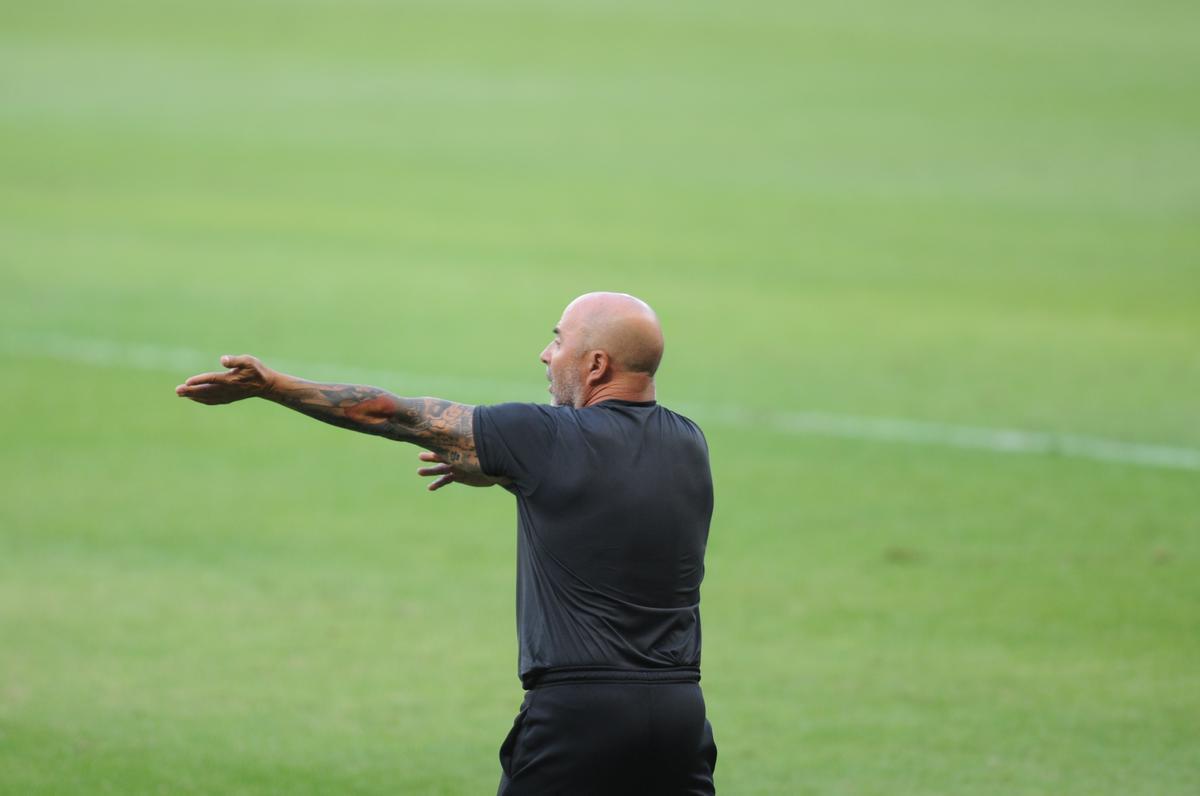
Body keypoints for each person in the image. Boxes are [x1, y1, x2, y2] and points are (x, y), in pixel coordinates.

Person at [175, 291, 717, 795]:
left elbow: (387, 412)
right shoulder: (689, 443)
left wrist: (272, 386)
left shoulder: (543, 437)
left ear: (596, 365)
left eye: (558, 340)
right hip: (679, 718)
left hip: (579, 716)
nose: (546, 354)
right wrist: (506, 472)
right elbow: (601, 487)